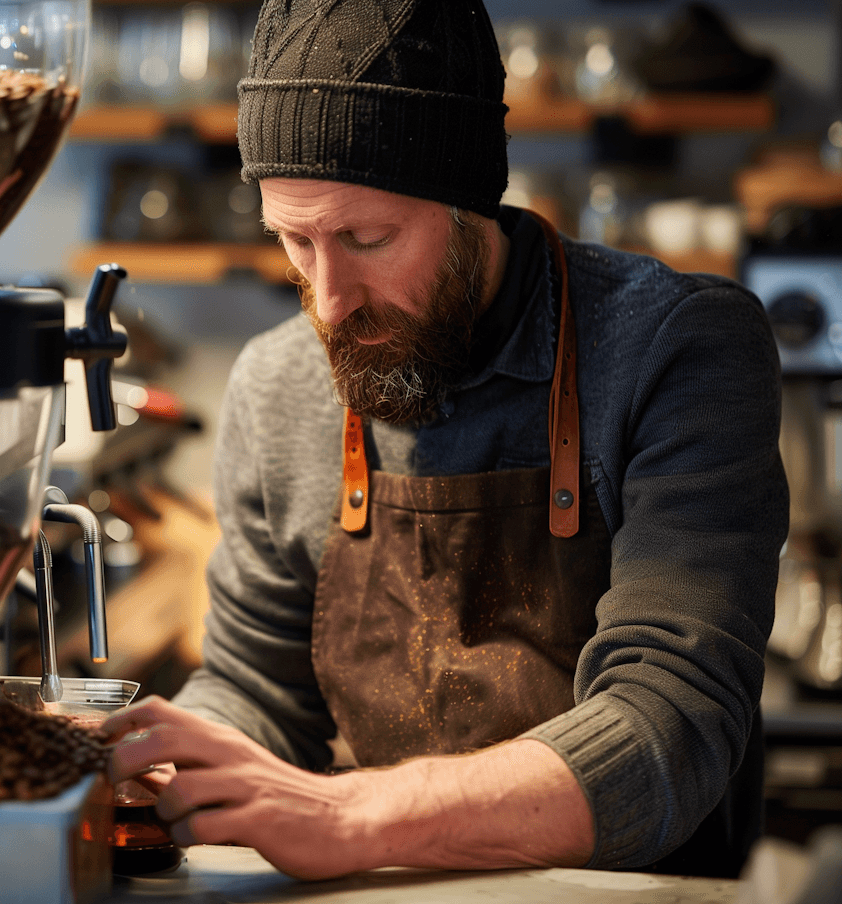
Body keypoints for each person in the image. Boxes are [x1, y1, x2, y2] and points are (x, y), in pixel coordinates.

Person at [102, 0, 789, 882]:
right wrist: (167, 769)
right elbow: (257, 690)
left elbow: (671, 724)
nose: (330, 299)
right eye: (295, 242)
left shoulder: (677, 349)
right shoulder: (277, 384)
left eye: (367, 238)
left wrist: (347, 814)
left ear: (472, 201)